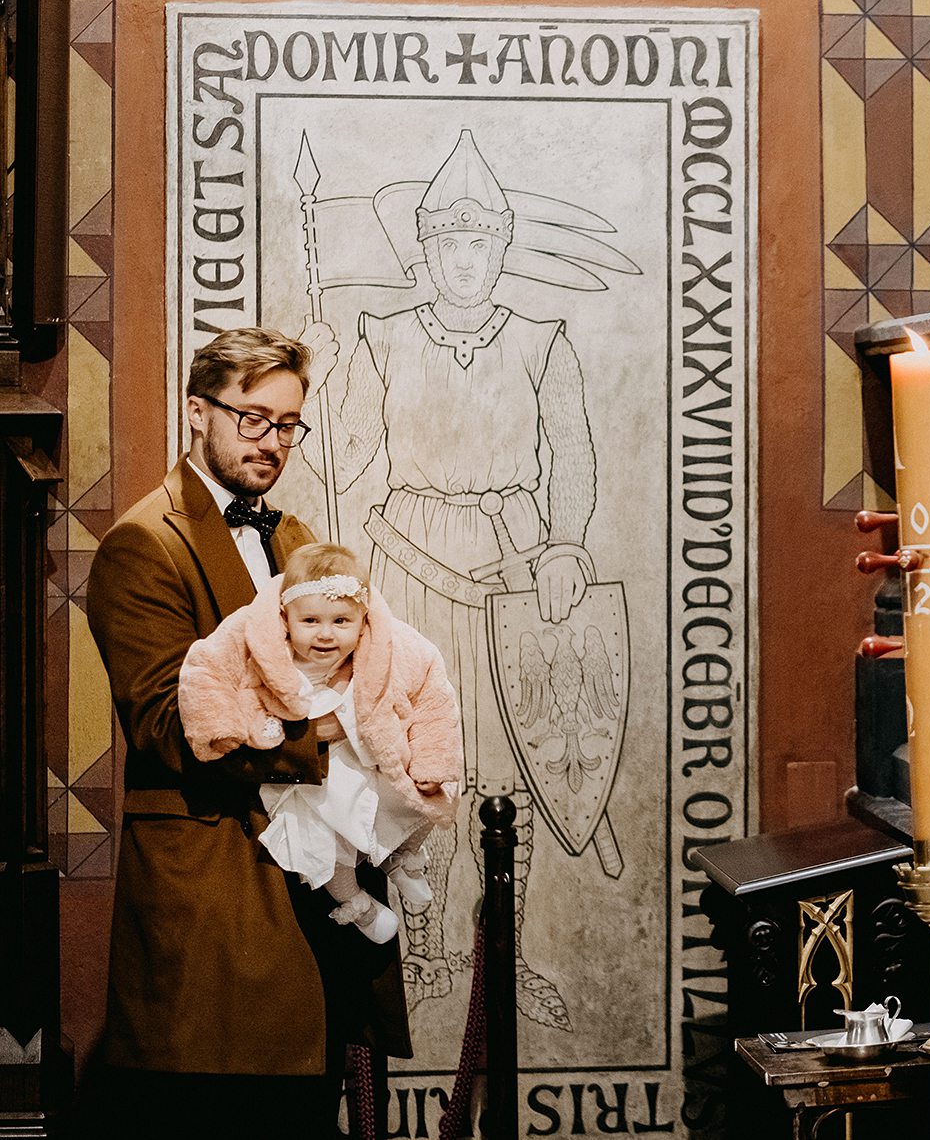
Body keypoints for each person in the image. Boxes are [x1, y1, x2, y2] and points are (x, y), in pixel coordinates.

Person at [81, 327, 408, 1138]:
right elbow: (167, 725)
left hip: (315, 906)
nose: (272, 442)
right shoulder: (143, 544)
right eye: (252, 418)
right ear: (198, 411)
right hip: (216, 909)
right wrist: (324, 730)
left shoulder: (294, 538)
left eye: (288, 424)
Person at [303, 128, 597, 1028]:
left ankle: (504, 952)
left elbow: (572, 455)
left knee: (516, 766)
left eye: (480, 242)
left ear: (499, 249)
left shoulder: (541, 341)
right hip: (410, 559)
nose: (464, 260)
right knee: (413, 763)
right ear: (426, 250)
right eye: (449, 243)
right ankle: (423, 953)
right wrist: (322, 381)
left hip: (513, 566)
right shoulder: (383, 337)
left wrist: (564, 546)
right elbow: (346, 460)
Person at [178, 543, 465, 945]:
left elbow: (433, 697)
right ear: (285, 617)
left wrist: (432, 762)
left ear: (364, 619)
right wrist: (219, 724)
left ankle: (404, 859)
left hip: (371, 751)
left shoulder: (395, 643)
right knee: (322, 840)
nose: (326, 634)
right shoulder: (255, 633)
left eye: (341, 621)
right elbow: (205, 669)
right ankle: (356, 904)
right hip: (310, 768)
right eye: (310, 620)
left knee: (419, 800)